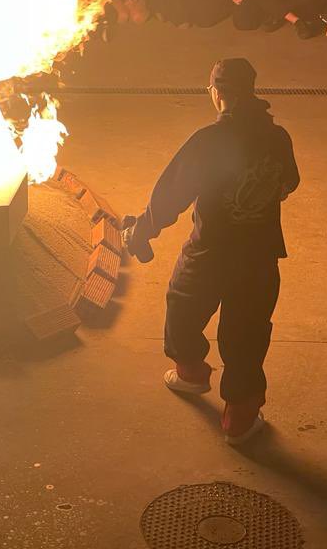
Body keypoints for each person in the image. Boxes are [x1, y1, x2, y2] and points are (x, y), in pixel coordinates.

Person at [122, 57, 299, 445]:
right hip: (259, 257)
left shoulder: (208, 141)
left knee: (182, 306)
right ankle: (240, 418)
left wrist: (141, 231)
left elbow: (170, 195)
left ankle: (191, 374)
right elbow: (290, 182)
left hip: (211, 251)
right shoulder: (278, 137)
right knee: (247, 334)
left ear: (217, 93)